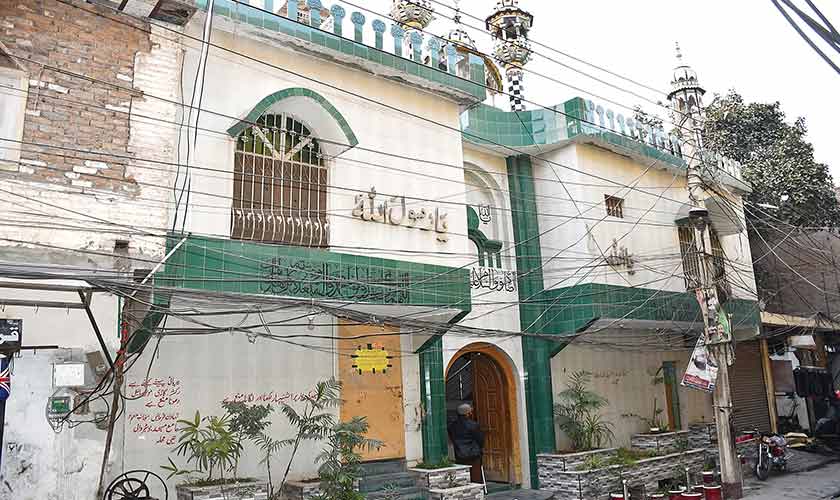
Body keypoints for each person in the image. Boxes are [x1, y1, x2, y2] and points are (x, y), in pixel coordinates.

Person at [448, 403, 485, 483]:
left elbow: (452, 438)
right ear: (468, 413)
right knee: (475, 476)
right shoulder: (473, 425)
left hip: (459, 454)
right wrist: (479, 449)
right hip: (473, 454)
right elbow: (480, 439)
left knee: (462, 476)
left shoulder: (452, 426)